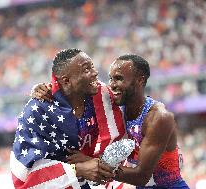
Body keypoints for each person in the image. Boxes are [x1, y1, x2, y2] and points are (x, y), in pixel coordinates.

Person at [32, 54, 189, 188]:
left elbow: (142, 176)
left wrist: (90, 162)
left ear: (140, 81)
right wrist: (47, 89)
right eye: (111, 78)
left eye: (119, 79)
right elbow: (76, 90)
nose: (112, 85)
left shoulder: (159, 117)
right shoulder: (114, 105)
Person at [10, 48, 125, 189]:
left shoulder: (100, 96)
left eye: (92, 66)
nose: (95, 73)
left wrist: (90, 161)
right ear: (66, 81)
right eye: (86, 69)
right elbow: (26, 173)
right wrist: (78, 169)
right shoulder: (38, 110)